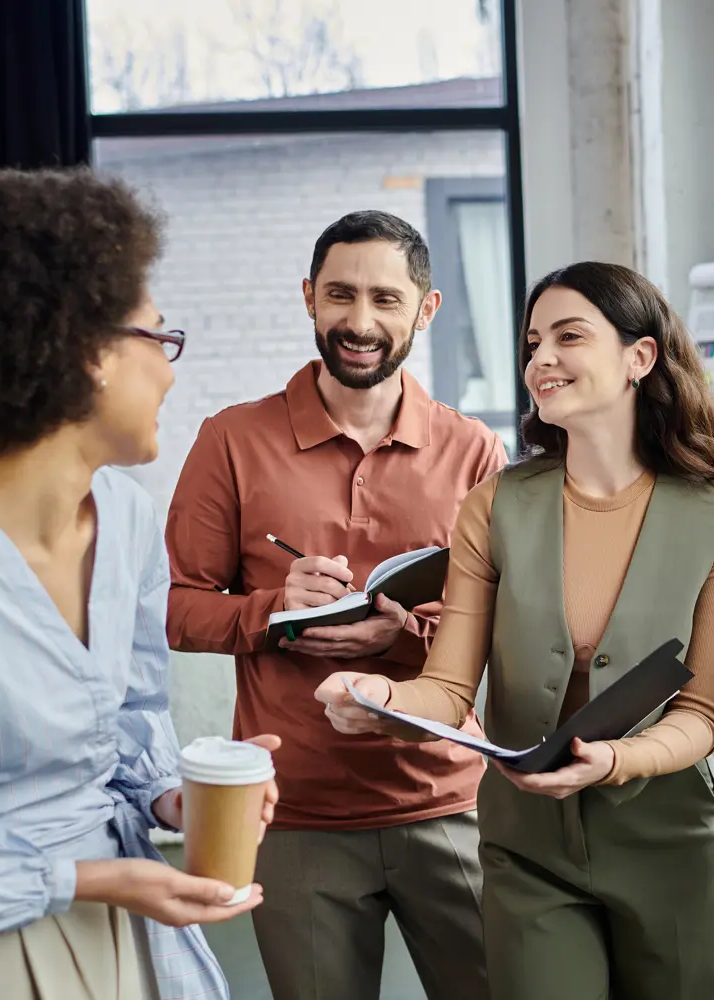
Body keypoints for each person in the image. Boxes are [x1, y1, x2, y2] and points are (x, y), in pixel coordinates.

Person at [0, 167, 279, 999]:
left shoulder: (129, 516)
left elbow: (132, 722)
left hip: (128, 936)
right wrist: (86, 879)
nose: (171, 372)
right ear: (89, 351)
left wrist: (178, 802)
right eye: (159, 337)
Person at [313, 261, 714, 1000]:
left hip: (669, 845)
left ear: (639, 359)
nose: (539, 360)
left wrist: (613, 760)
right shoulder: (495, 506)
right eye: (531, 343)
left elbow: (703, 716)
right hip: (528, 852)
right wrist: (379, 698)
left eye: (568, 337)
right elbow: (448, 687)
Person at [165, 210, 505, 1000]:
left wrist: (404, 629)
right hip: (295, 809)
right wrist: (273, 614)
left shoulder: (476, 451)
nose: (359, 322)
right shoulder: (231, 440)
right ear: (309, 298)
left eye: (386, 299)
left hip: (449, 796)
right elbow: (177, 609)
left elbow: (507, 623)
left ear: (426, 309)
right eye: (341, 296)